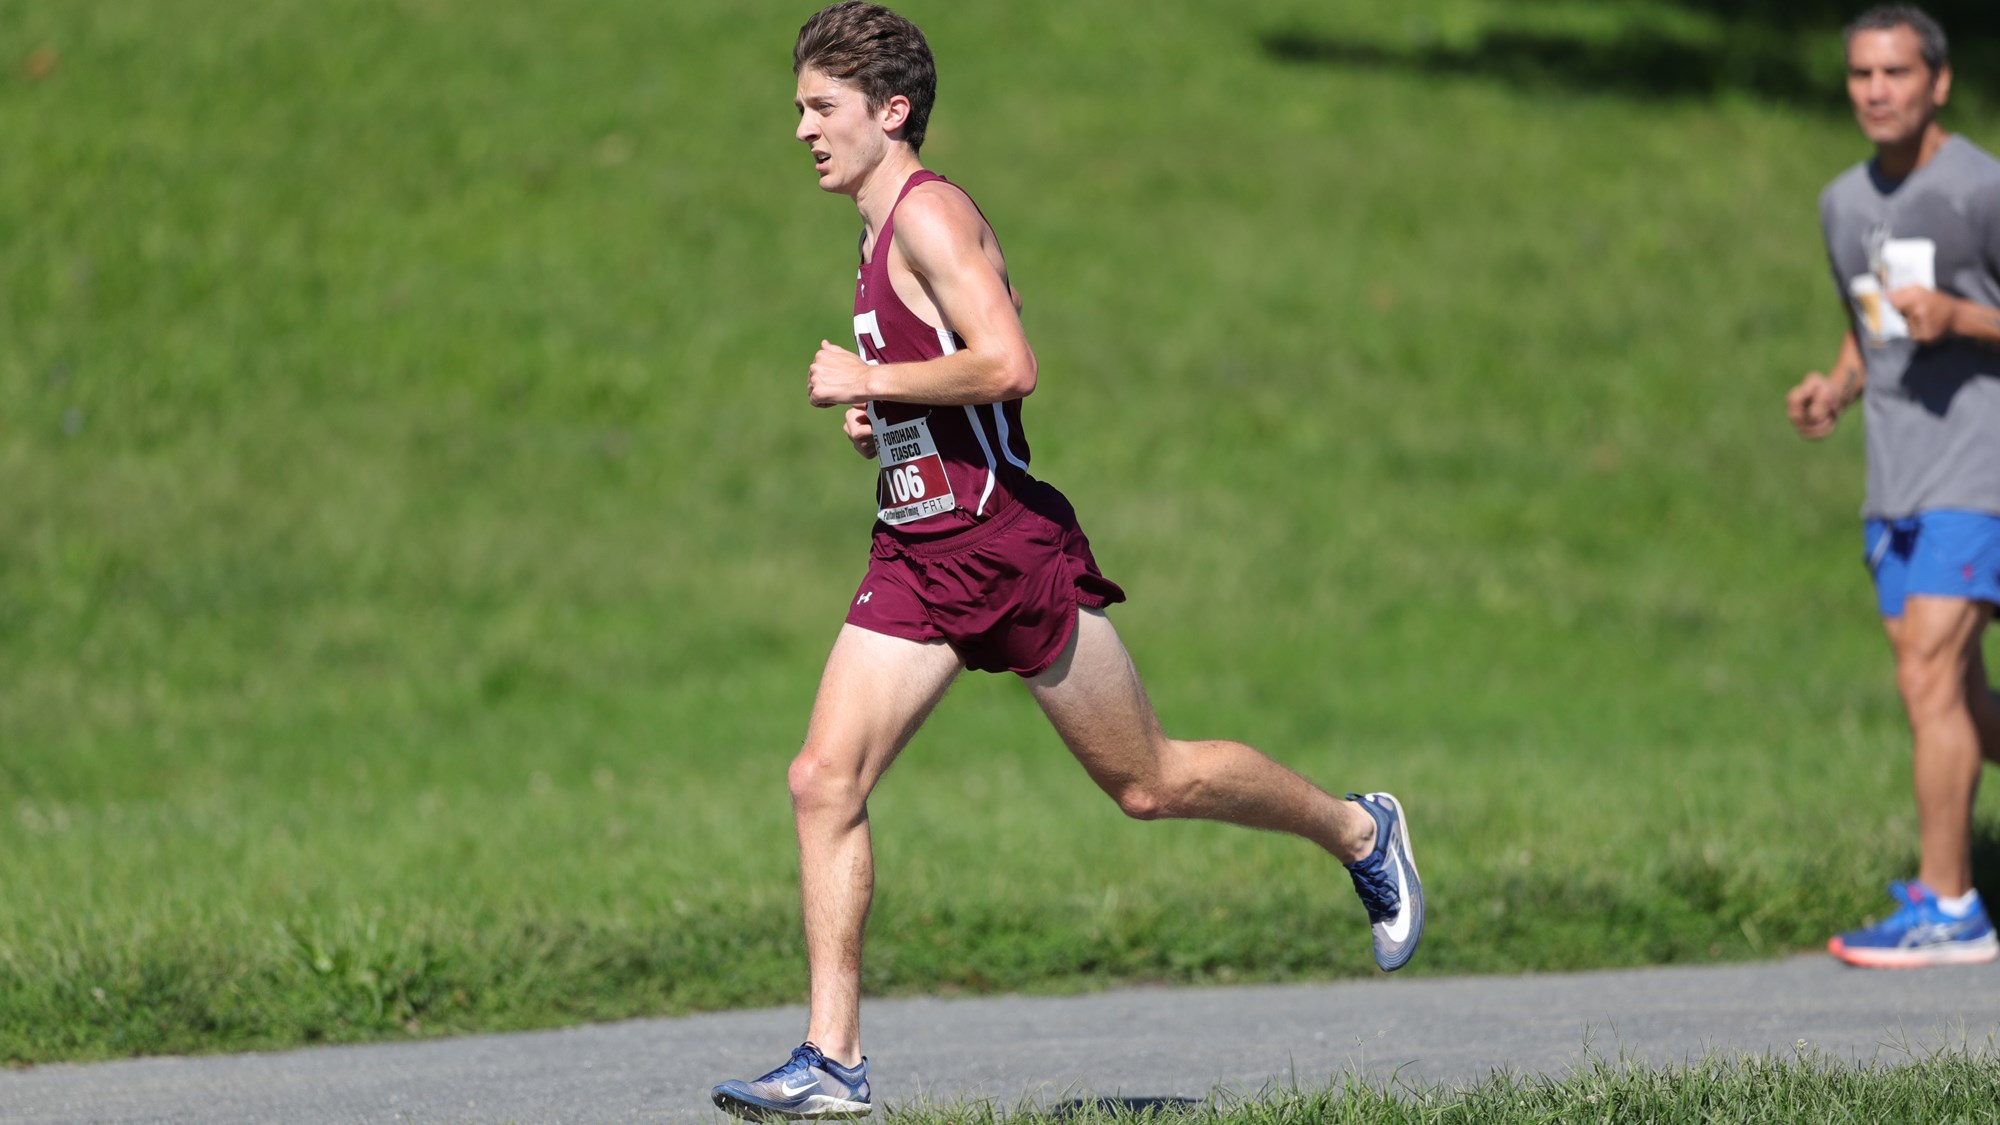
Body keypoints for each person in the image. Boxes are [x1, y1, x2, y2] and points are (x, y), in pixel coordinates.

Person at [709, 4, 1425, 1118]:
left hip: (1002, 547)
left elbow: (1008, 361)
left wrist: (870, 385)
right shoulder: (874, 225)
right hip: (913, 551)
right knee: (822, 781)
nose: (798, 127)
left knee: (1148, 783)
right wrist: (887, 424)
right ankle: (832, 1064)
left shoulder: (928, 215)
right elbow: (956, 366)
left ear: (889, 112)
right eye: (798, 106)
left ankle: (1359, 829)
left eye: (819, 107)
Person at [1786, 3, 2000, 968]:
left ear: (1938, 82)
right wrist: (1835, 384)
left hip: (1979, 464)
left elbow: (1950, 315)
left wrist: (1960, 313)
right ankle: (1948, 884)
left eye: (1896, 73)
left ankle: (1950, 905)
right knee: (1945, 695)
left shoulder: (1980, 189)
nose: (1877, 91)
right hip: (1894, 480)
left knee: (1928, 671)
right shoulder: (1843, 202)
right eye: (1861, 75)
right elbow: (1865, 323)